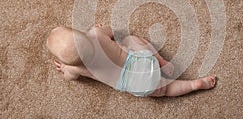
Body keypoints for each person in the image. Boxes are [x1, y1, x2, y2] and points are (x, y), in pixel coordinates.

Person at [46, 24, 216, 97]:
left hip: (136, 84)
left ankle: (194, 85)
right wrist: (96, 29)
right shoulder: (96, 35)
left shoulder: (74, 69)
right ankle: (160, 60)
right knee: (130, 40)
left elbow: (70, 77)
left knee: (166, 89)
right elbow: (110, 31)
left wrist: (64, 69)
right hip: (142, 62)